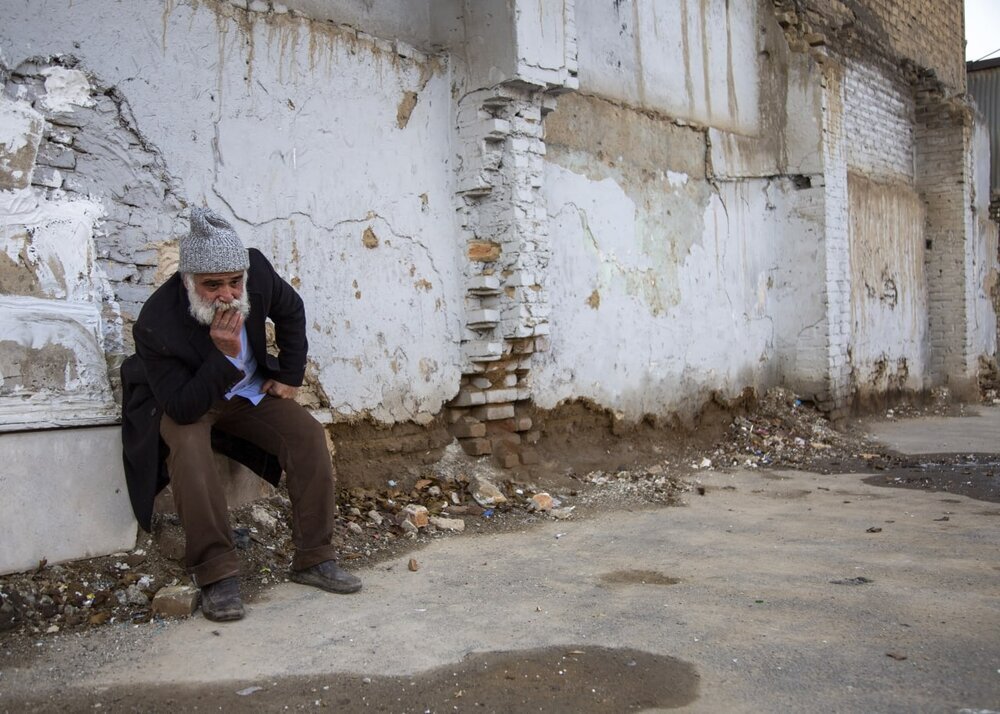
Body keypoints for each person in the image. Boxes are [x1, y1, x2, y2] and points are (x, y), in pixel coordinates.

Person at [120, 206, 360, 622]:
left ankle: (314, 558)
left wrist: (289, 375)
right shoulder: (157, 323)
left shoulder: (257, 273)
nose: (228, 294)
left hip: (247, 393)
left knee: (306, 436)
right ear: (188, 281)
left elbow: (292, 309)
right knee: (190, 450)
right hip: (188, 399)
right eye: (213, 285)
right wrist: (223, 354)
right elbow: (181, 407)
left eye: (234, 282)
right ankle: (217, 575)